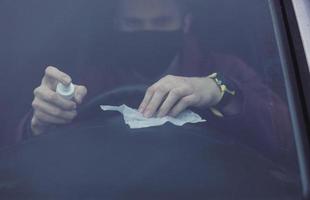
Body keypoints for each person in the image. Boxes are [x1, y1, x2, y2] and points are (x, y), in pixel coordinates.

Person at [18, 0, 293, 162]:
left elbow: (287, 138)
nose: (148, 32)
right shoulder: (90, 81)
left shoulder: (224, 68)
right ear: (118, 25)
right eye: (134, 25)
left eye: (162, 22)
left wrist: (220, 90)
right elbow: (39, 160)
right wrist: (38, 124)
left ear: (185, 24)